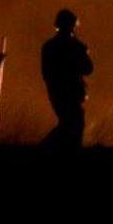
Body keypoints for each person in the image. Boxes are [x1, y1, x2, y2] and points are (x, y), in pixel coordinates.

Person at [40, 9, 93, 149]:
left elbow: (45, 73)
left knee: (68, 124)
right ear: (72, 25)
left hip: (56, 93)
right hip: (72, 93)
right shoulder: (76, 46)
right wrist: (85, 53)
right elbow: (88, 69)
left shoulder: (49, 46)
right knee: (74, 124)